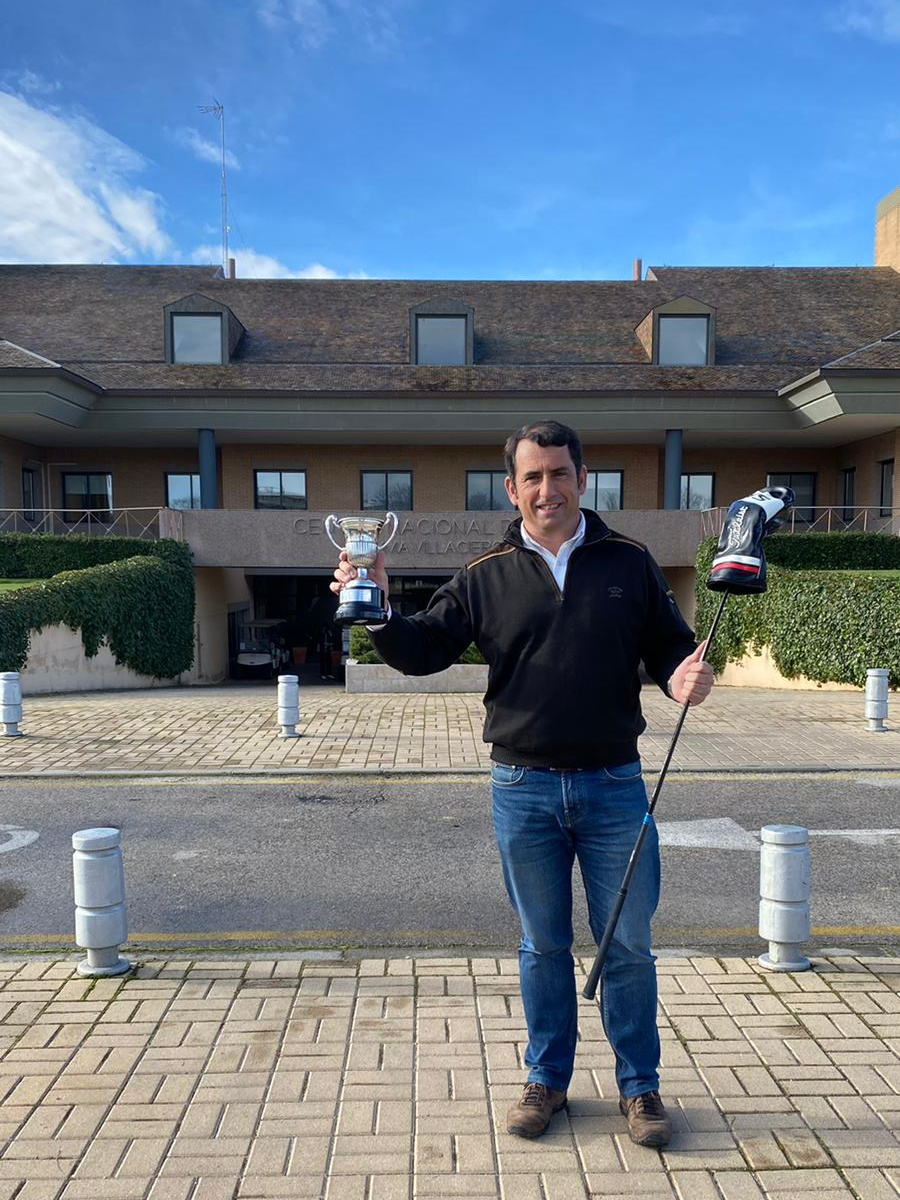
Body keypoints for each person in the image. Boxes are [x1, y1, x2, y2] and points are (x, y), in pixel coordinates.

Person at [330, 420, 714, 1148]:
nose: (547, 489)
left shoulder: (629, 562)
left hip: (615, 786)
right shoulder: (485, 573)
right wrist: (374, 608)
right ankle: (547, 1080)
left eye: (560, 473)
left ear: (582, 479)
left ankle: (640, 1086)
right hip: (523, 788)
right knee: (542, 945)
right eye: (532, 477)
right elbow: (424, 650)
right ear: (512, 489)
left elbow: (669, 647)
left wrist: (682, 678)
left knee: (628, 945)